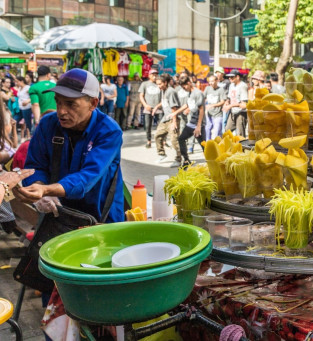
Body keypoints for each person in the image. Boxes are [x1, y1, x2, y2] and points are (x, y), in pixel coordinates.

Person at [13, 68, 124, 222]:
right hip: (57, 212)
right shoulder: (48, 124)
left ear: (93, 103)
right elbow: (35, 166)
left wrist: (46, 190)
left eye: (71, 104)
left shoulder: (108, 131)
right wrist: (38, 188)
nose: (61, 111)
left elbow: (87, 177)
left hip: (100, 215)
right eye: (58, 102)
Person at [172, 75, 206, 167]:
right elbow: (187, 105)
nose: (184, 89)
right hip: (191, 123)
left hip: (199, 124)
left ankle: (212, 163)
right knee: (181, 139)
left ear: (189, 83)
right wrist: (175, 113)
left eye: (184, 87)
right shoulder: (190, 93)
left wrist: (198, 126)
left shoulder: (198, 93)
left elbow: (201, 109)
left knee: (204, 146)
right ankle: (186, 160)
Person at [153, 73, 182, 168]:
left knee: (174, 140)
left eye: (160, 84)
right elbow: (164, 101)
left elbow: (174, 107)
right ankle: (162, 154)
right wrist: (156, 106)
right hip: (165, 118)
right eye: (157, 84)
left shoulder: (171, 91)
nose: (158, 86)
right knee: (157, 135)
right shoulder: (163, 90)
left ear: (165, 83)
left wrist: (174, 122)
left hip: (172, 119)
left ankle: (179, 159)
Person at [139, 69, 162, 148]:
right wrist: (145, 105)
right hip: (148, 108)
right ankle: (148, 141)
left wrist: (158, 105)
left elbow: (163, 96)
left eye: (156, 74)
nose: (154, 76)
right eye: (153, 74)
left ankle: (162, 141)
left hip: (159, 108)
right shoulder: (144, 84)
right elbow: (141, 96)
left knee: (161, 126)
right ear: (149, 75)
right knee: (148, 126)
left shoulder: (159, 84)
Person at [224, 69, 248, 137]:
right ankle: (231, 146)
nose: (229, 78)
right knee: (227, 131)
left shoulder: (243, 86)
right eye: (229, 77)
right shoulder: (231, 85)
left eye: (232, 77)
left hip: (241, 113)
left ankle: (242, 147)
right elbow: (229, 97)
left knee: (240, 135)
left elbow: (244, 104)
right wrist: (227, 102)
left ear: (237, 77)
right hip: (233, 112)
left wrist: (230, 106)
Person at [203, 75, 227, 140]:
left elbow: (222, 102)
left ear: (217, 81)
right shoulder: (207, 88)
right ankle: (208, 145)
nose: (210, 83)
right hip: (209, 114)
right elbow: (203, 98)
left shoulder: (220, 90)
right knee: (207, 130)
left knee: (216, 133)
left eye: (212, 81)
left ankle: (217, 146)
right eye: (209, 81)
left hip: (218, 115)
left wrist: (212, 105)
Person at [215, 67, 230, 133]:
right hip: (218, 103)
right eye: (217, 73)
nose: (218, 74)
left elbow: (229, 92)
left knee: (224, 120)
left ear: (223, 74)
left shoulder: (227, 82)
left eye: (219, 73)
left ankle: (224, 136)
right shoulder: (216, 82)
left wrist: (227, 101)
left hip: (225, 103)